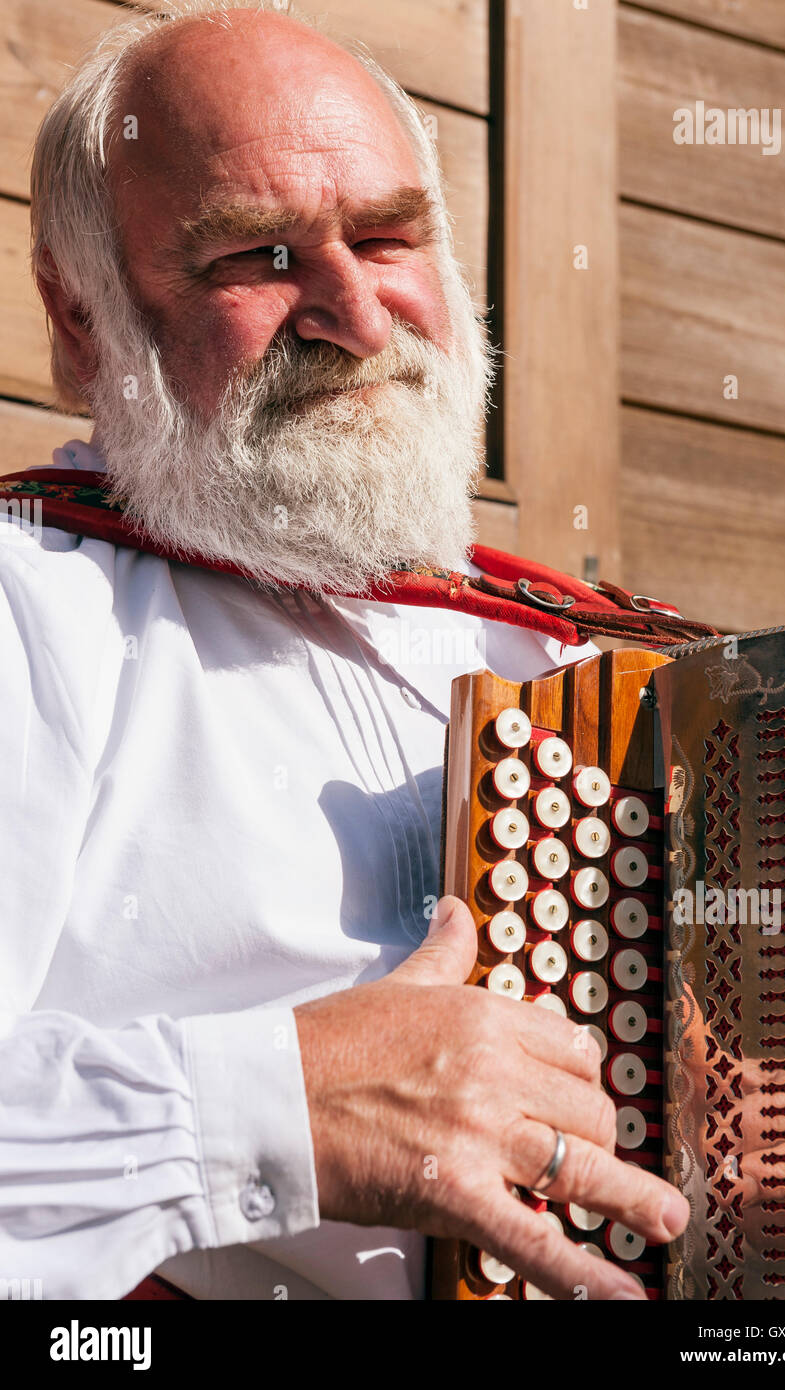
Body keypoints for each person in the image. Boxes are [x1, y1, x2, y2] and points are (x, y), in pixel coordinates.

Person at [0, 0, 689, 1300]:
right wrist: (283, 1107)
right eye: (259, 256)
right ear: (82, 316)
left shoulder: (572, 651)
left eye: (385, 237)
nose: (360, 318)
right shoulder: (27, 614)